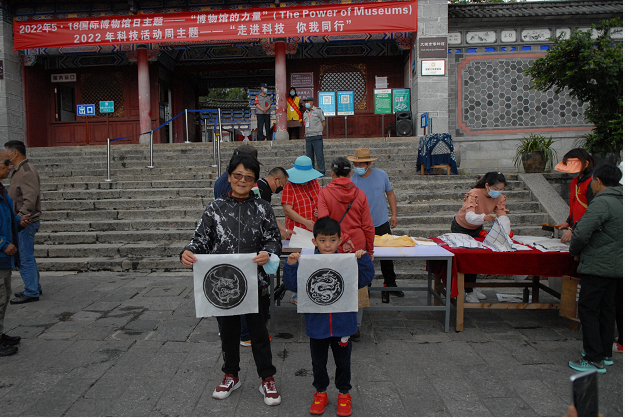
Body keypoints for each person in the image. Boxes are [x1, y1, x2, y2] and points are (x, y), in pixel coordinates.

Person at [181, 154, 282, 405]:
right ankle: (231, 374)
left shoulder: (263, 208)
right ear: (229, 177)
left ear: (255, 181)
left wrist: (268, 253)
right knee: (228, 333)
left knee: (259, 332)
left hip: (255, 282)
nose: (242, 180)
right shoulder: (215, 208)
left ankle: (267, 378)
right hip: (222, 283)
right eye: (238, 175)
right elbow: (201, 239)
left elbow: (273, 240)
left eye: (248, 177)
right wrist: (189, 251)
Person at [282, 216, 374, 417]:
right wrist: (290, 265)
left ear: (340, 240)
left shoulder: (346, 262)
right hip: (317, 326)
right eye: (322, 240)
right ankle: (320, 392)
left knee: (343, 362)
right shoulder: (307, 263)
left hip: (343, 324)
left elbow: (363, 280)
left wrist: (363, 260)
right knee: (318, 362)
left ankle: (344, 394)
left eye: (332, 240)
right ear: (314, 241)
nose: (327, 245)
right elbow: (293, 285)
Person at [568, 163, 622, 374]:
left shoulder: (602, 202)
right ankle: (605, 353)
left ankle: (593, 357)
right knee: (608, 309)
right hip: (616, 266)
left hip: (598, 264)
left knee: (589, 309)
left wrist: (575, 250)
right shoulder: (621, 200)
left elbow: (581, 232)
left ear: (598, 181)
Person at [318, 157, 375, 340]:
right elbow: (368, 226)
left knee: (332, 282)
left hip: (333, 245)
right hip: (357, 245)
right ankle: (355, 326)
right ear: (350, 173)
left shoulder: (324, 193)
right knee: (357, 285)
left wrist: (342, 238)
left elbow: (324, 223)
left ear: (332, 173)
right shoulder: (360, 194)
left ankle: (334, 322)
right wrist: (370, 251)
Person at [349, 147, 403, 304]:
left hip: (381, 222)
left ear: (368, 164)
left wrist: (394, 214)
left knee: (387, 256)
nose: (358, 167)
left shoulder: (381, 175)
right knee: (363, 255)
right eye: (355, 164)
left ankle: (390, 283)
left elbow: (390, 194)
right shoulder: (352, 180)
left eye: (361, 164)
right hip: (361, 226)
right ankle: (365, 283)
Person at [452, 172, 510, 303]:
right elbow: (469, 217)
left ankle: (472, 287)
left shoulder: (500, 197)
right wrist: (484, 217)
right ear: (487, 185)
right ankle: (467, 291)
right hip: (461, 227)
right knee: (465, 259)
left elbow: (502, 216)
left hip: (477, 227)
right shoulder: (474, 194)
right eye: (495, 189)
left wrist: (505, 232)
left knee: (475, 258)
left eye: (501, 189)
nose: (498, 192)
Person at [281, 155, 324, 305]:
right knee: (298, 260)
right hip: (297, 232)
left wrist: (319, 210)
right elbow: (287, 209)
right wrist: (305, 222)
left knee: (314, 261)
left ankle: (313, 289)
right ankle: (296, 292)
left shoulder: (314, 182)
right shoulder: (289, 185)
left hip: (314, 230)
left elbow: (320, 199)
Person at [6, 140, 42, 305]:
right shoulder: (19, 170)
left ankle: (31, 291)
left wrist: (20, 218)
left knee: (24, 256)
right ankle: (34, 286)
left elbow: (30, 198)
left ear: (15, 153)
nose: (6, 156)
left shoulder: (26, 171)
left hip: (25, 222)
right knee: (25, 255)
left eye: (7, 152)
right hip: (22, 220)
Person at [0, 151, 23, 356]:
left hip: (4, 258)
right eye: (6, 163)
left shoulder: (1, 190)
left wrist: (20, 221)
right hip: (1, 252)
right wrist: (2, 244)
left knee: (4, 296)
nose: (10, 167)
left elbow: (8, 215)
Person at [554, 148, 596, 243]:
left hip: (588, 229)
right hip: (578, 228)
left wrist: (573, 229)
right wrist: (568, 222)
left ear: (586, 163)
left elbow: (593, 212)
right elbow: (575, 205)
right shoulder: (575, 181)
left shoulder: (592, 183)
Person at [257, 167, 293, 239]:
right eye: (282, 184)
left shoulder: (262, 185)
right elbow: (266, 216)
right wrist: (280, 231)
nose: (281, 188)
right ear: (276, 180)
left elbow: (269, 214)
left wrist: (285, 230)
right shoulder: (263, 191)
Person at [302, 96, 326, 175]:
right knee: (309, 157)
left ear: (312, 102)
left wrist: (320, 131)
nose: (306, 103)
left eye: (308, 101)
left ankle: (321, 171)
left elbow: (323, 122)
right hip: (308, 137)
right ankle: (311, 172)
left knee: (319, 155)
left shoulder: (318, 111)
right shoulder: (305, 113)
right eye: (305, 102)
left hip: (317, 136)